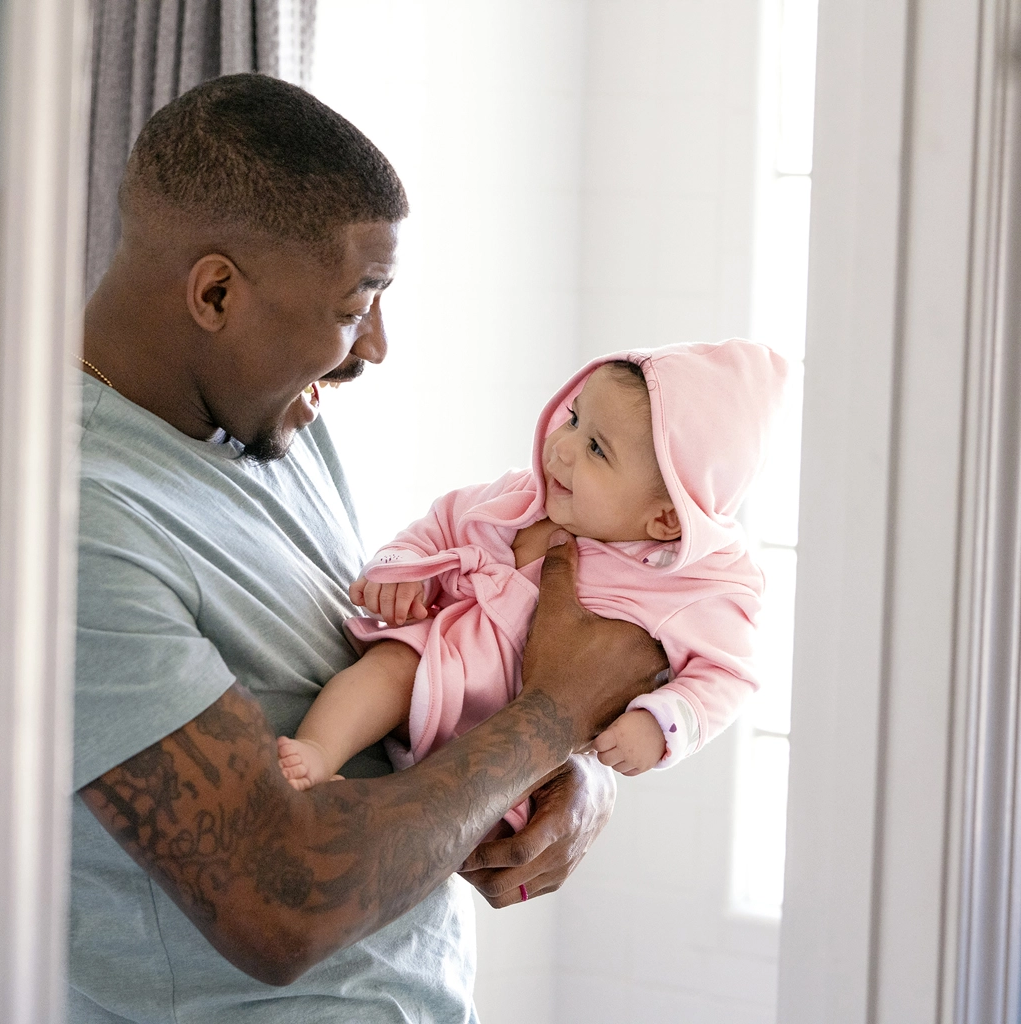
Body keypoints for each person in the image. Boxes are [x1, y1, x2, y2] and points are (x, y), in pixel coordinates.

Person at [71, 73, 668, 1024]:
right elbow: (283, 903)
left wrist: (571, 771)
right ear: (216, 292)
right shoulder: (73, 523)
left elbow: (410, 684)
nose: (376, 347)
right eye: (357, 305)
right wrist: (556, 717)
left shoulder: (274, 427)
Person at [278, 342, 787, 830]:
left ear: (666, 517)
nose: (561, 448)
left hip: (510, 736)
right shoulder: (525, 494)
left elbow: (729, 674)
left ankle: (364, 822)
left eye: (596, 449)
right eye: (574, 419)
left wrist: (661, 724)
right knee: (386, 670)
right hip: (443, 657)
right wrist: (405, 568)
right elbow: (447, 520)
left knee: (499, 819)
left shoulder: (691, 582)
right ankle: (319, 751)